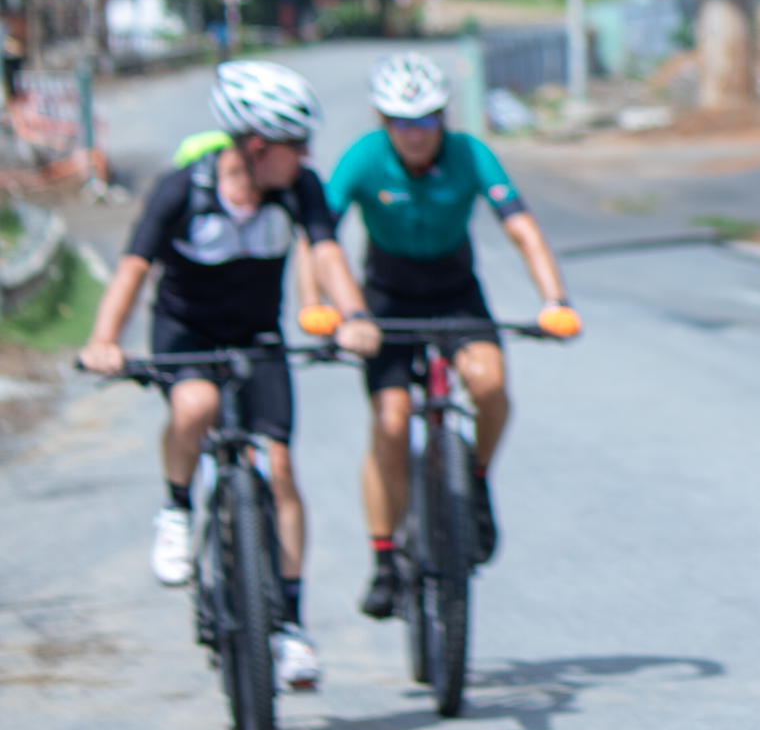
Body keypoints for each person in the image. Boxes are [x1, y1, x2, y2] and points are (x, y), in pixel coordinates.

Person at [80, 61, 383, 693]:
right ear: (254, 146)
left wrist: (353, 315)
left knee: (278, 469)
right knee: (194, 407)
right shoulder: (179, 190)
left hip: (257, 336)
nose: (305, 157)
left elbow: (326, 251)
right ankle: (176, 507)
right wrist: (104, 342)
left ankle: (290, 628)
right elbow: (133, 269)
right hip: (185, 333)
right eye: (295, 145)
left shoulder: (297, 189)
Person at [309, 52, 578, 621]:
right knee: (389, 421)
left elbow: (521, 227)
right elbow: (319, 239)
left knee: (489, 386)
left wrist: (555, 301)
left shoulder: (469, 155)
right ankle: (384, 558)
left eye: (427, 120)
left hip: (455, 291)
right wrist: (320, 309)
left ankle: (474, 479)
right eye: (402, 122)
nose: (415, 134)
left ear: (443, 118)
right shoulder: (363, 160)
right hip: (385, 297)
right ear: (383, 122)